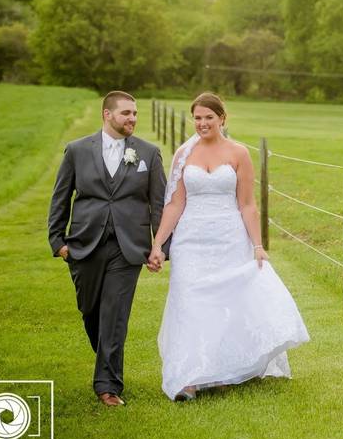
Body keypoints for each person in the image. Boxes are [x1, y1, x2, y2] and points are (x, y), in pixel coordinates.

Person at [149, 93, 309, 401]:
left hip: (229, 237)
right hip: (190, 240)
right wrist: (159, 243)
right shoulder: (184, 154)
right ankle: (189, 377)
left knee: (226, 302)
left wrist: (257, 245)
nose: (202, 123)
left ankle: (222, 370)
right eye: (197, 117)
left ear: (222, 119)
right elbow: (175, 204)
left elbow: (247, 204)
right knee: (189, 302)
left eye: (209, 117)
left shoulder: (239, 153)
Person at [48, 91, 167, 407]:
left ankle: (107, 385)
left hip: (128, 248)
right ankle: (106, 358)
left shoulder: (148, 154)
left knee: (115, 314)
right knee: (91, 313)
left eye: (135, 113)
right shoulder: (77, 151)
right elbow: (61, 197)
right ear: (107, 115)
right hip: (84, 244)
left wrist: (161, 246)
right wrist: (58, 242)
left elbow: (159, 205)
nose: (132, 119)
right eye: (126, 113)